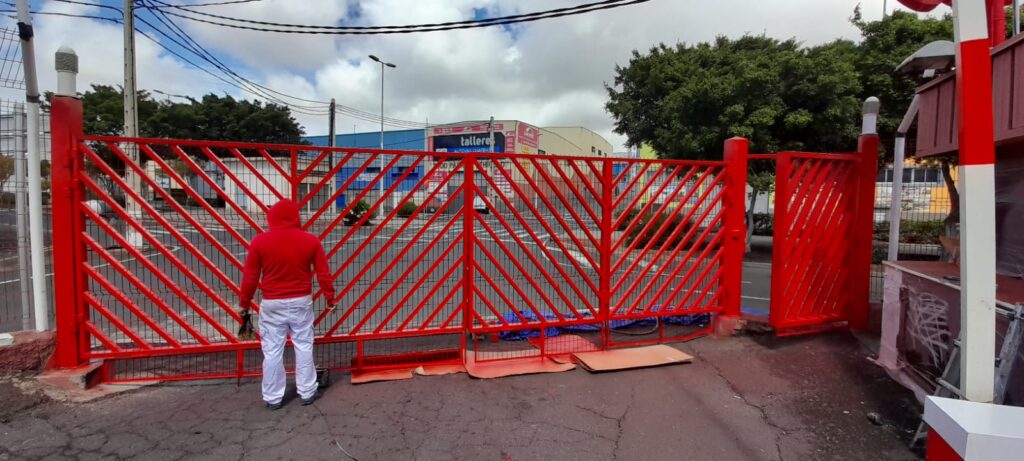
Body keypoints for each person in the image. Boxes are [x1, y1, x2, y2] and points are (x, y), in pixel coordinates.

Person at [239, 199, 336, 410]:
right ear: (296, 217)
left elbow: (250, 277)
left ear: (271, 217)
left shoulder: (259, 242)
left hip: (272, 302)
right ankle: (307, 391)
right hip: (301, 301)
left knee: (272, 350)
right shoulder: (310, 241)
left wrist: (244, 303)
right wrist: (330, 297)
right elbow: (323, 273)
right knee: (303, 345)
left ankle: (273, 397)